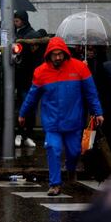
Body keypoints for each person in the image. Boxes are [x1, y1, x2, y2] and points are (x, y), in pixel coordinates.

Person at [18, 37, 104, 196]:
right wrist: (23, 114)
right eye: (54, 54)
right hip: (52, 122)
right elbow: (32, 96)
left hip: (73, 121)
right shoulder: (41, 72)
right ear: (48, 55)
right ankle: (55, 184)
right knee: (53, 148)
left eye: (60, 54)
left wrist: (98, 112)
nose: (58, 57)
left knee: (74, 151)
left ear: (65, 53)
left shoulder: (79, 68)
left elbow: (91, 93)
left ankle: (71, 170)